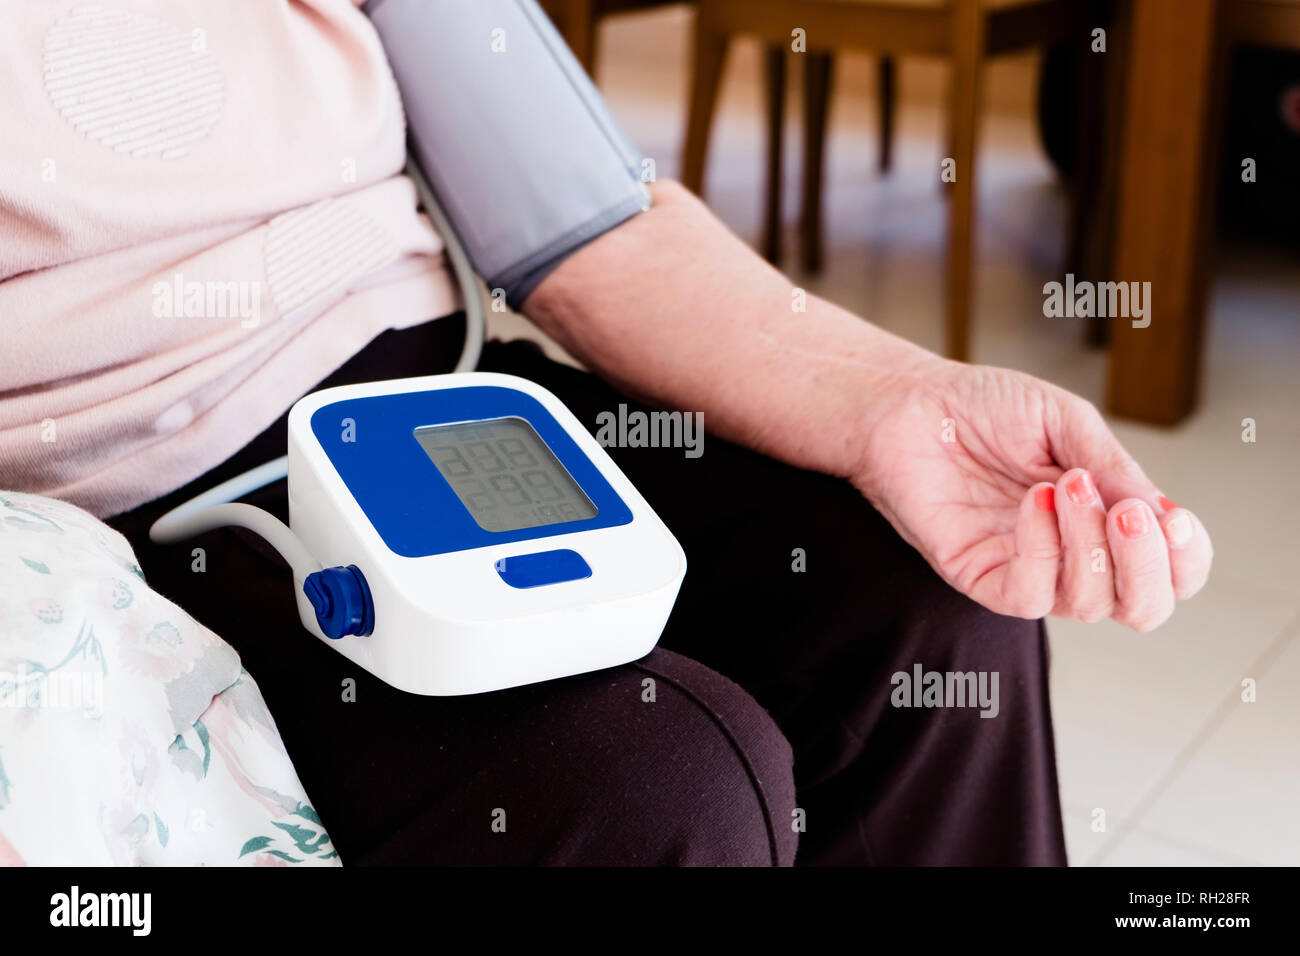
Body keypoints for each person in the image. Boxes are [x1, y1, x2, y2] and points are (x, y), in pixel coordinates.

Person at [2, 0, 1211, 865]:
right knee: (656, 777)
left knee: (931, 609)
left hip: (449, 391)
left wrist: (899, 399)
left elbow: (589, 230)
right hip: (118, 504)